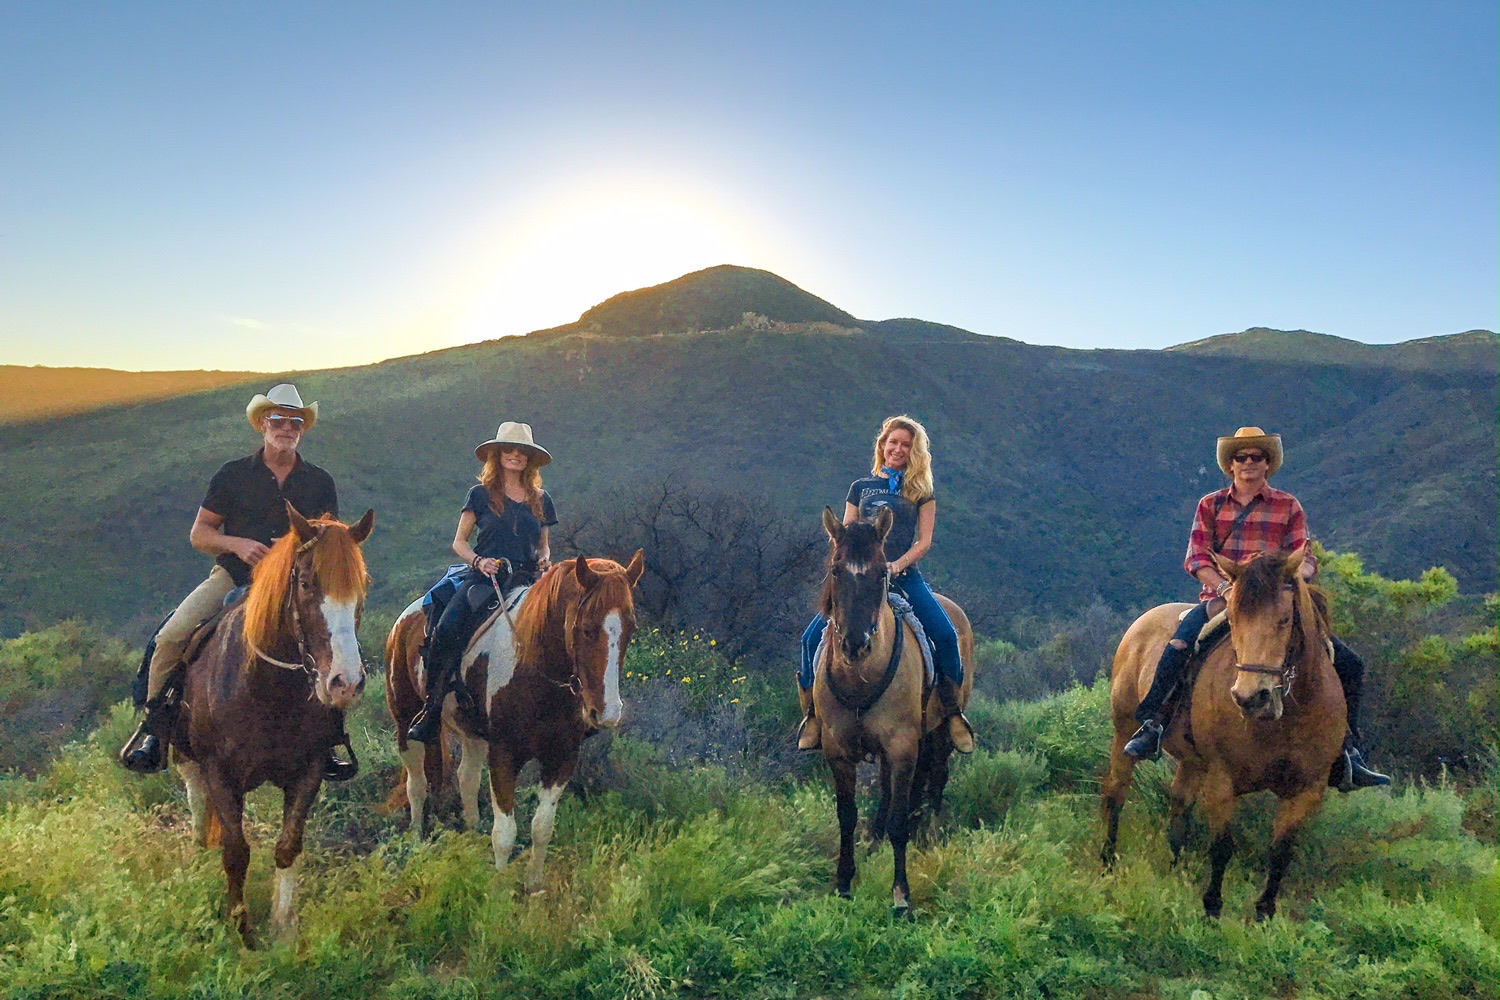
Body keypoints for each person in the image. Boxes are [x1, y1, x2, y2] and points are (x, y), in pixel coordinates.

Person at [1122, 426, 1390, 791]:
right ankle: (1154, 723)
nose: (1248, 462)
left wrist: (1289, 580)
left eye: (1256, 457)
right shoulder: (1210, 505)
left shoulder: (1288, 506)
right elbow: (1197, 557)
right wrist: (1226, 587)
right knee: (1180, 644)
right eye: (1241, 457)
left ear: (1267, 464)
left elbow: (1306, 557)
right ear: (1231, 465)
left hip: (1274, 601)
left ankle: (1348, 750)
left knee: (1347, 662)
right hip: (1223, 596)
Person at [120, 384, 357, 779]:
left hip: (296, 586)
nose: (287, 428)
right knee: (171, 637)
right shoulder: (232, 475)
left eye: (295, 422)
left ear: (302, 429)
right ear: (262, 423)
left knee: (336, 646)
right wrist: (238, 544)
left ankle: (329, 739)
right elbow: (200, 534)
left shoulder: (319, 481)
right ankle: (154, 732)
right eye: (278, 420)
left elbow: (330, 541)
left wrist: (294, 551)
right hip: (233, 576)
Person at [796, 415, 974, 754]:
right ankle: (813, 716)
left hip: (904, 577)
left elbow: (924, 541)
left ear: (914, 451)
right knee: (809, 639)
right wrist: (854, 568)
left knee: (946, 635)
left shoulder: (921, 492)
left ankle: (952, 713)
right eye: (893, 442)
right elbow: (843, 534)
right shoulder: (860, 488)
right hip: (860, 581)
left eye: (906, 445)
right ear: (882, 445)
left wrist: (896, 565)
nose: (898, 449)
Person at [406, 421, 557, 744]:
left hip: (527, 580)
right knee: (446, 630)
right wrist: (478, 561)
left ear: (530, 459)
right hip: (486, 579)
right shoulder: (480, 495)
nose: (515, 455)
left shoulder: (542, 499)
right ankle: (432, 711)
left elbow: (544, 545)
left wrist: (544, 558)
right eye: (509, 449)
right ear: (497, 455)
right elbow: (459, 542)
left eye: (522, 451)